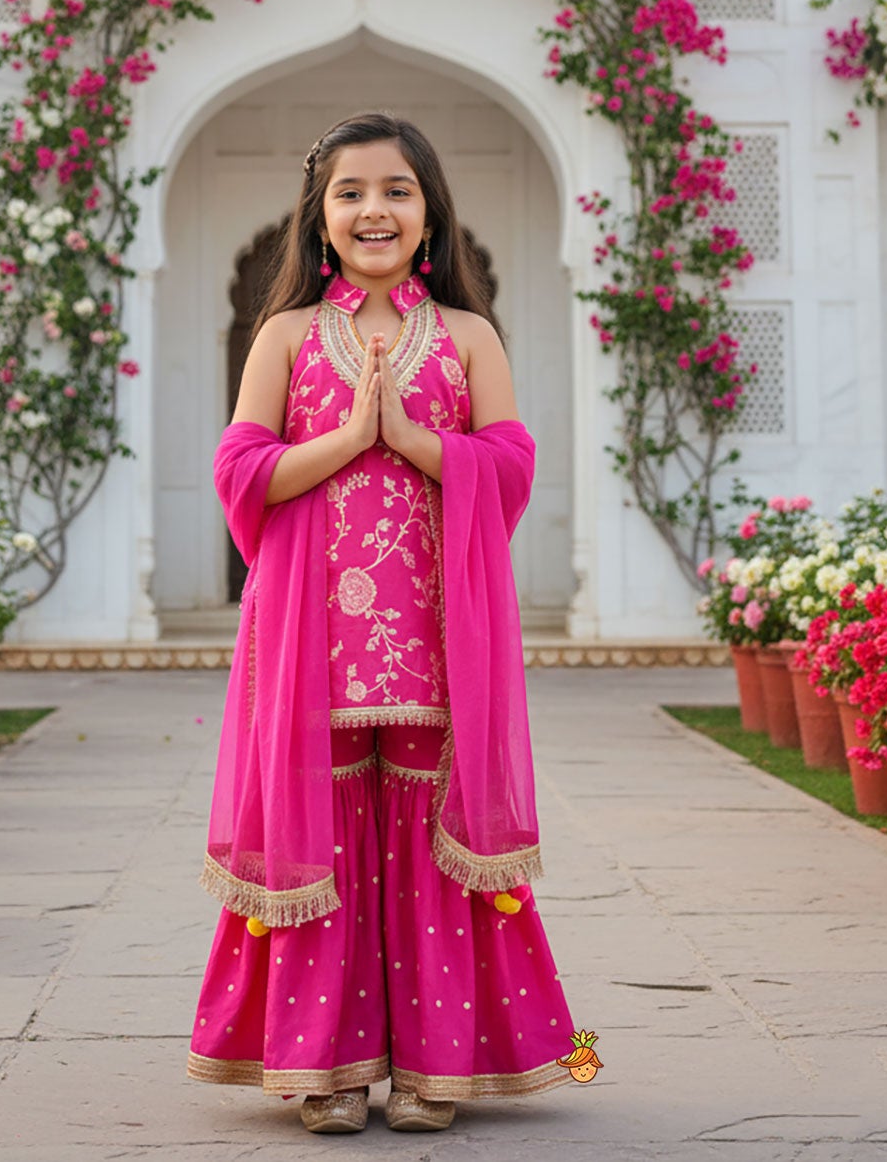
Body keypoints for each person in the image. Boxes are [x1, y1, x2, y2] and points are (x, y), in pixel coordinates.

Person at [187, 110, 578, 1134]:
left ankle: (431, 1068)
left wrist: (412, 437)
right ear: (319, 221)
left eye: (397, 191)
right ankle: (324, 1066)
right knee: (321, 837)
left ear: (428, 215)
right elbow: (240, 471)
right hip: (309, 639)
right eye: (351, 192)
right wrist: (354, 437)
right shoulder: (282, 337)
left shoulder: (465, 337)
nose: (374, 209)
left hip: (437, 638)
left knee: (429, 836)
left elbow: (513, 463)